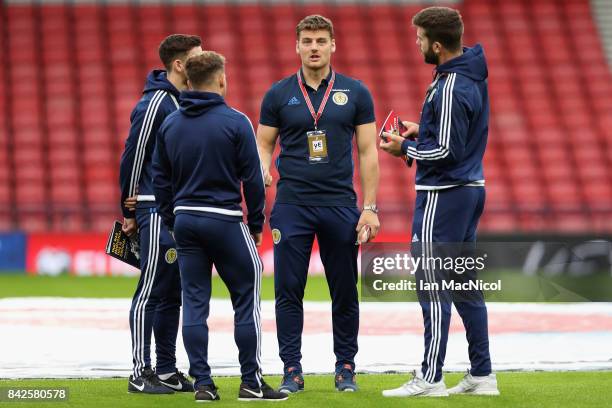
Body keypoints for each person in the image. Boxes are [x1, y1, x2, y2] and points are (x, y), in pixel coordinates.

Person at [152, 51, 288, 403]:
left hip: (185, 221)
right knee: (246, 299)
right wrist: (256, 222)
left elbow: (160, 179)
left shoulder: (171, 123)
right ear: (221, 79)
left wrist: (172, 218)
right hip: (225, 221)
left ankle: (202, 385)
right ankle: (250, 382)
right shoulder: (235, 121)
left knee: (194, 302)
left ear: (189, 81)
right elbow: (254, 180)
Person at [379, 7, 499, 397]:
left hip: (443, 195)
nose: (416, 45)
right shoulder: (468, 75)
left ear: (435, 44)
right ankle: (482, 375)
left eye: (418, 39)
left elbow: (446, 149)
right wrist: (422, 129)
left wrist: (406, 147)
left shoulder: (450, 85)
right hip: (468, 189)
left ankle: (430, 378)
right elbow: (454, 135)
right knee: (464, 283)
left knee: (431, 283)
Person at [257, 15, 380, 393]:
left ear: (333, 46)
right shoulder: (278, 94)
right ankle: (291, 369)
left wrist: (370, 207)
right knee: (288, 289)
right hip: (292, 205)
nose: (314, 47)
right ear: (297, 46)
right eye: (307, 41)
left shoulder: (355, 92)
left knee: (344, 289)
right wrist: (263, 169)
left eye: (321, 41)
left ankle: (346, 367)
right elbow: (264, 143)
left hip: (341, 204)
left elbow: (368, 151)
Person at [119, 34, 202, 394]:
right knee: (151, 288)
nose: (204, 63)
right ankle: (140, 371)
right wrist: (129, 207)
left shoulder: (183, 102)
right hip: (153, 207)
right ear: (180, 64)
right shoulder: (156, 102)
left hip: (176, 208)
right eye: (197, 58)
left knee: (173, 292)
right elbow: (134, 156)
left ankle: (166, 369)